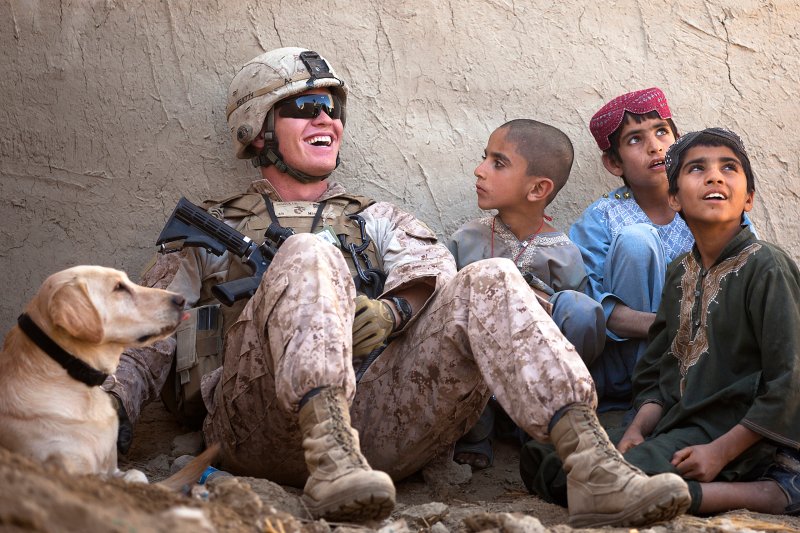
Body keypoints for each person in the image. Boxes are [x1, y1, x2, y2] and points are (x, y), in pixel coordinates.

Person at [108, 47, 691, 527]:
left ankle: (593, 467)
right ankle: (327, 457)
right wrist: (103, 417)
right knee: (309, 250)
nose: (326, 120)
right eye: (305, 107)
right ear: (256, 129)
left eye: (333, 108)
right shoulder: (213, 227)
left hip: (380, 427)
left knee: (491, 276)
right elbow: (146, 337)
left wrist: (390, 314)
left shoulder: (375, 216)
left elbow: (438, 275)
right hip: (253, 424)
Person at [521, 127, 800, 516]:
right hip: (674, 423)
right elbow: (657, 371)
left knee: (608, 480)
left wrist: (720, 452)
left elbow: (791, 379)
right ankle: (647, 482)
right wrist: (637, 429)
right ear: (674, 198)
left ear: (749, 198)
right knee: (542, 457)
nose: (714, 177)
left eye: (729, 168)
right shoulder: (679, 273)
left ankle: (766, 491)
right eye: (697, 169)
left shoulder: (766, 266)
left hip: (735, 432)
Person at [447, 119, 605, 469]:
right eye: (484, 158)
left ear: (537, 190)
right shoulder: (467, 239)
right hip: (480, 374)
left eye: (497, 163)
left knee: (580, 309)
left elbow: (578, 331)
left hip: (539, 373)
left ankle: (545, 424)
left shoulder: (563, 252)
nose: (479, 170)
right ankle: (478, 431)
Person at [569, 87, 692, 408]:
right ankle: (652, 393)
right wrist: (669, 327)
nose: (655, 146)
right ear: (613, 163)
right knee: (638, 240)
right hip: (630, 364)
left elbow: (747, 272)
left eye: (662, 132)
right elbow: (590, 308)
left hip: (700, 354)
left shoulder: (708, 201)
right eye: (635, 139)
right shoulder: (602, 218)